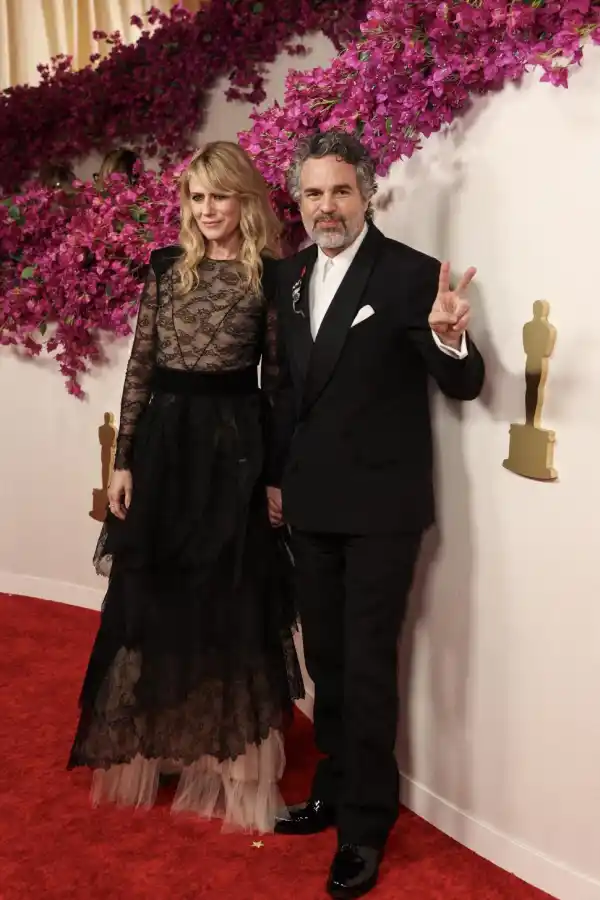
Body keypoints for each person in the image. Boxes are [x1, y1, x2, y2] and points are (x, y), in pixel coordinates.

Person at [266, 130, 485, 898]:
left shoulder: (410, 275)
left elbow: (465, 385)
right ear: (299, 202)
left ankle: (364, 824)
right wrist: (275, 480)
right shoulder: (288, 275)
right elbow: (286, 390)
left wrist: (452, 339)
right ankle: (332, 786)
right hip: (309, 502)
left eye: (341, 192)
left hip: (382, 509)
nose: (327, 207)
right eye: (313, 194)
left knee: (365, 665)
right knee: (324, 657)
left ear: (367, 194)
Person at [68, 140, 304, 833]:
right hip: (166, 450)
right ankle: (165, 736)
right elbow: (140, 368)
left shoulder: (271, 275)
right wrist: (123, 461)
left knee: (231, 595)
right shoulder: (167, 269)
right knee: (159, 591)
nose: (207, 211)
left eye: (219, 197)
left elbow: (278, 384)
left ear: (246, 201)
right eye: (196, 198)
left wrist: (273, 477)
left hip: (234, 450)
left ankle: (232, 755)